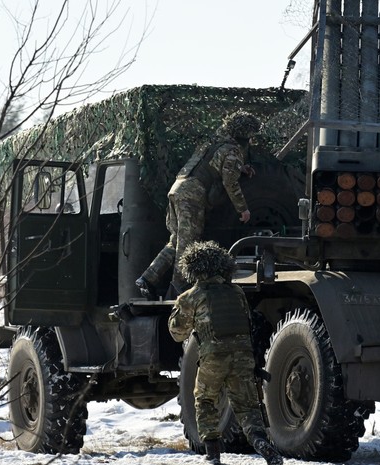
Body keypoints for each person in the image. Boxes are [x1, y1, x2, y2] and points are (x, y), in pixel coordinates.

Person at [167, 241, 283, 465]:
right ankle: (262, 444)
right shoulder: (237, 292)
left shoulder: (192, 296)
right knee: (247, 406)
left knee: (205, 401)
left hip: (213, 357)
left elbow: (178, 334)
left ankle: (213, 454)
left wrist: (175, 313)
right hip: (243, 356)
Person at [136, 111, 262, 298]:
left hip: (177, 190)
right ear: (246, 135)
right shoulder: (233, 150)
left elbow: (212, 165)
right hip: (192, 197)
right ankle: (178, 292)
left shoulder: (213, 144)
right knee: (187, 246)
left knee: (176, 241)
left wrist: (240, 168)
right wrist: (243, 209)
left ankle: (148, 278)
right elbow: (230, 182)